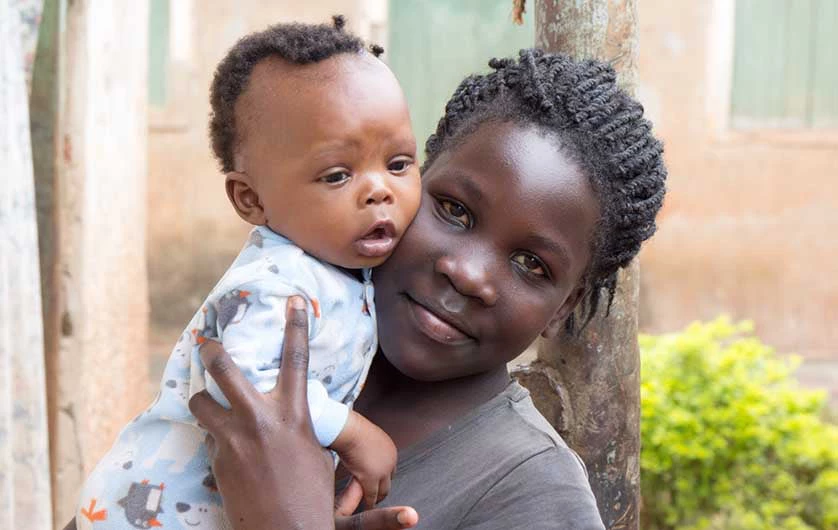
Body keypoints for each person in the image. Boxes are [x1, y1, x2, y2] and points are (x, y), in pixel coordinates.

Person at [187, 49, 668, 529]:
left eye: (531, 264)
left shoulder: (533, 496)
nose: (468, 274)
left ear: (565, 305)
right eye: (455, 210)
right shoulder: (279, 326)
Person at [73, 17, 421, 530]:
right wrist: (350, 430)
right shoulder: (273, 282)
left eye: (398, 164)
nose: (379, 191)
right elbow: (241, 382)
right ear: (251, 199)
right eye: (337, 175)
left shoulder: (342, 267)